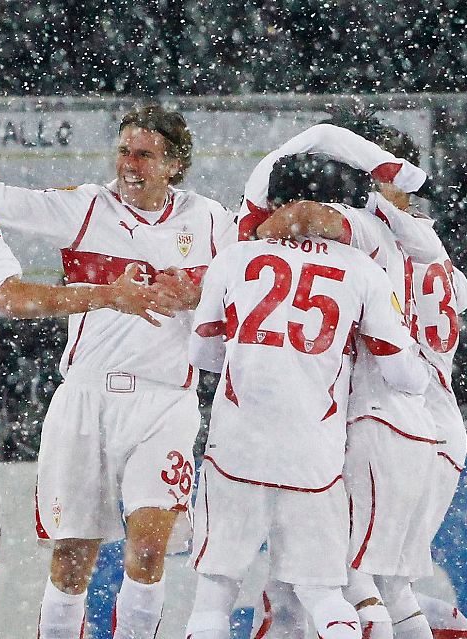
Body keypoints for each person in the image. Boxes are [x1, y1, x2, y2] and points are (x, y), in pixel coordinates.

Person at [0, 104, 235, 639]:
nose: (130, 165)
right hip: (86, 398)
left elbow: (242, 283)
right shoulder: (85, 207)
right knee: (70, 560)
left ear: (175, 164)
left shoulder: (211, 220)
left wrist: (197, 294)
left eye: (144, 155)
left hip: (165, 401)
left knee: (149, 549)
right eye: (124, 152)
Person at [245, 117, 467, 639]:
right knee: (384, 586)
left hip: (375, 421)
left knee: (326, 580)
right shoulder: (431, 246)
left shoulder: (368, 233)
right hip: (440, 435)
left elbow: (306, 219)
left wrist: (251, 238)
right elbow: (459, 297)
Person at [182, 161, 430, 639]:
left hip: (237, 445)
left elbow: (203, 353)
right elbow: (405, 374)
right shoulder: (362, 269)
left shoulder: (234, 258)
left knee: (214, 595)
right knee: (325, 595)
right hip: (315, 450)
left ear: (274, 202)